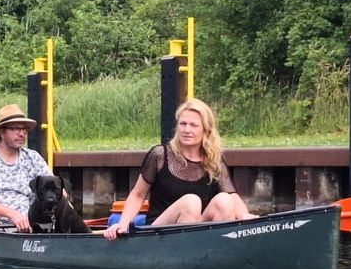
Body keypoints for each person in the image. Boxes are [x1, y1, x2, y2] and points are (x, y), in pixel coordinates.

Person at [104, 98, 256, 241]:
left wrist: (244, 215)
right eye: (183, 124)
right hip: (158, 232)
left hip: (195, 230)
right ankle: (186, 256)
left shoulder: (214, 161)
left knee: (224, 200)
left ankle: (218, 251)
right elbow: (138, 194)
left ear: (206, 130)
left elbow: (231, 194)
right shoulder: (160, 154)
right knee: (191, 201)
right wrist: (123, 224)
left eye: (193, 125)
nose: (186, 130)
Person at [0, 104, 51, 232]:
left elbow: (54, 186)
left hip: (28, 221)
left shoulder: (33, 157)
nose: (22, 134)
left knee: (63, 202)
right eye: (16, 129)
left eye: (24, 130)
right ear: (2, 132)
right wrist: (13, 215)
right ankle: (1, 242)